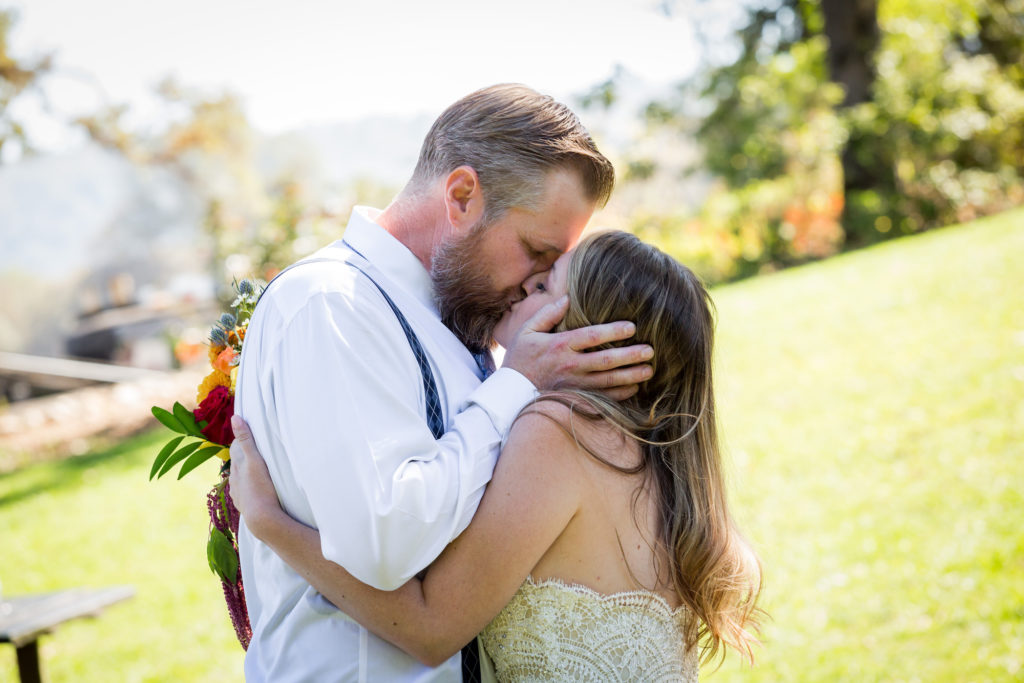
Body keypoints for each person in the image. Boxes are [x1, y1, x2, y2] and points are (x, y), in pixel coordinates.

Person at [233, 84, 655, 682]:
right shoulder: (333, 306)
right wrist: (517, 385)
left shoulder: (457, 319)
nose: (539, 281)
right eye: (536, 250)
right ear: (461, 196)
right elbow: (387, 544)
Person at [230, 230, 765, 682]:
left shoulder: (558, 433)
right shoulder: (653, 447)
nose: (517, 290)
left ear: (582, 326)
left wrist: (270, 524)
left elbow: (430, 628)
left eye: (541, 286)